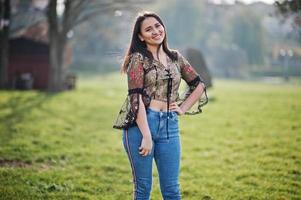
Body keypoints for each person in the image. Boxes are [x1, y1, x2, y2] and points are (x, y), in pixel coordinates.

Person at [113, 11, 208, 200]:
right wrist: (146, 136)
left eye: (158, 26)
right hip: (141, 127)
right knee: (143, 189)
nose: (155, 31)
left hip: (169, 127)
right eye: (148, 29)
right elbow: (136, 99)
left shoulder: (176, 58)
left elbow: (199, 85)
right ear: (140, 36)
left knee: (172, 190)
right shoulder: (137, 59)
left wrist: (182, 108)